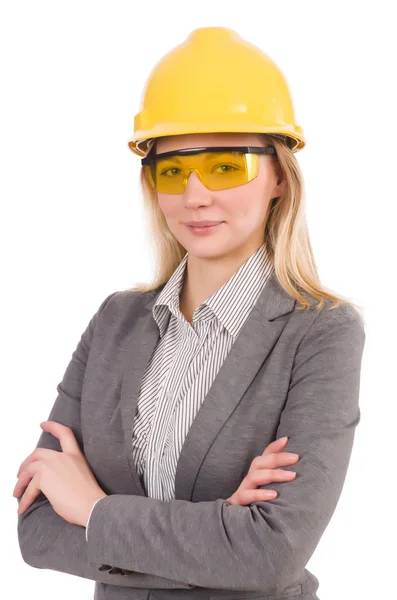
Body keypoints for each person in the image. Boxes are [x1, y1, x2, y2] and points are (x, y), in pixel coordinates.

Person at [16, 27, 366, 600]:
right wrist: (216, 532)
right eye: (172, 170)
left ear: (279, 175)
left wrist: (97, 510)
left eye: (226, 166)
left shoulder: (321, 331)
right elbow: (37, 532)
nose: (195, 194)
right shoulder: (115, 321)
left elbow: (272, 554)